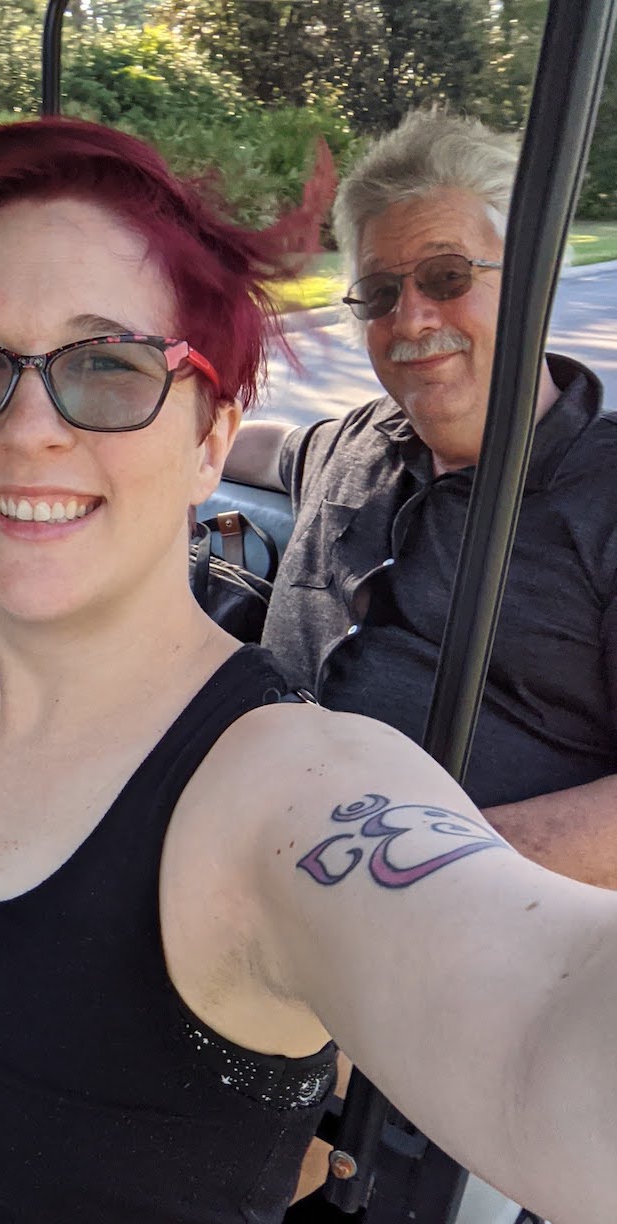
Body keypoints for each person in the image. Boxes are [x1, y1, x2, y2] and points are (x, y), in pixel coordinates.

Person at [0, 117, 617, 1223]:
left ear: (207, 436)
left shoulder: (283, 804)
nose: (31, 430)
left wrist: (439, 857)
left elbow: (544, 1030)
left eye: (109, 368)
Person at [224, 110, 617, 889]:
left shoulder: (603, 500)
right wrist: (159, 447)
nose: (410, 318)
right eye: (379, 292)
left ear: (536, 279)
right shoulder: (356, 442)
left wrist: (395, 868)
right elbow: (270, 451)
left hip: (470, 929)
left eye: (447, 277)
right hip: (231, 867)